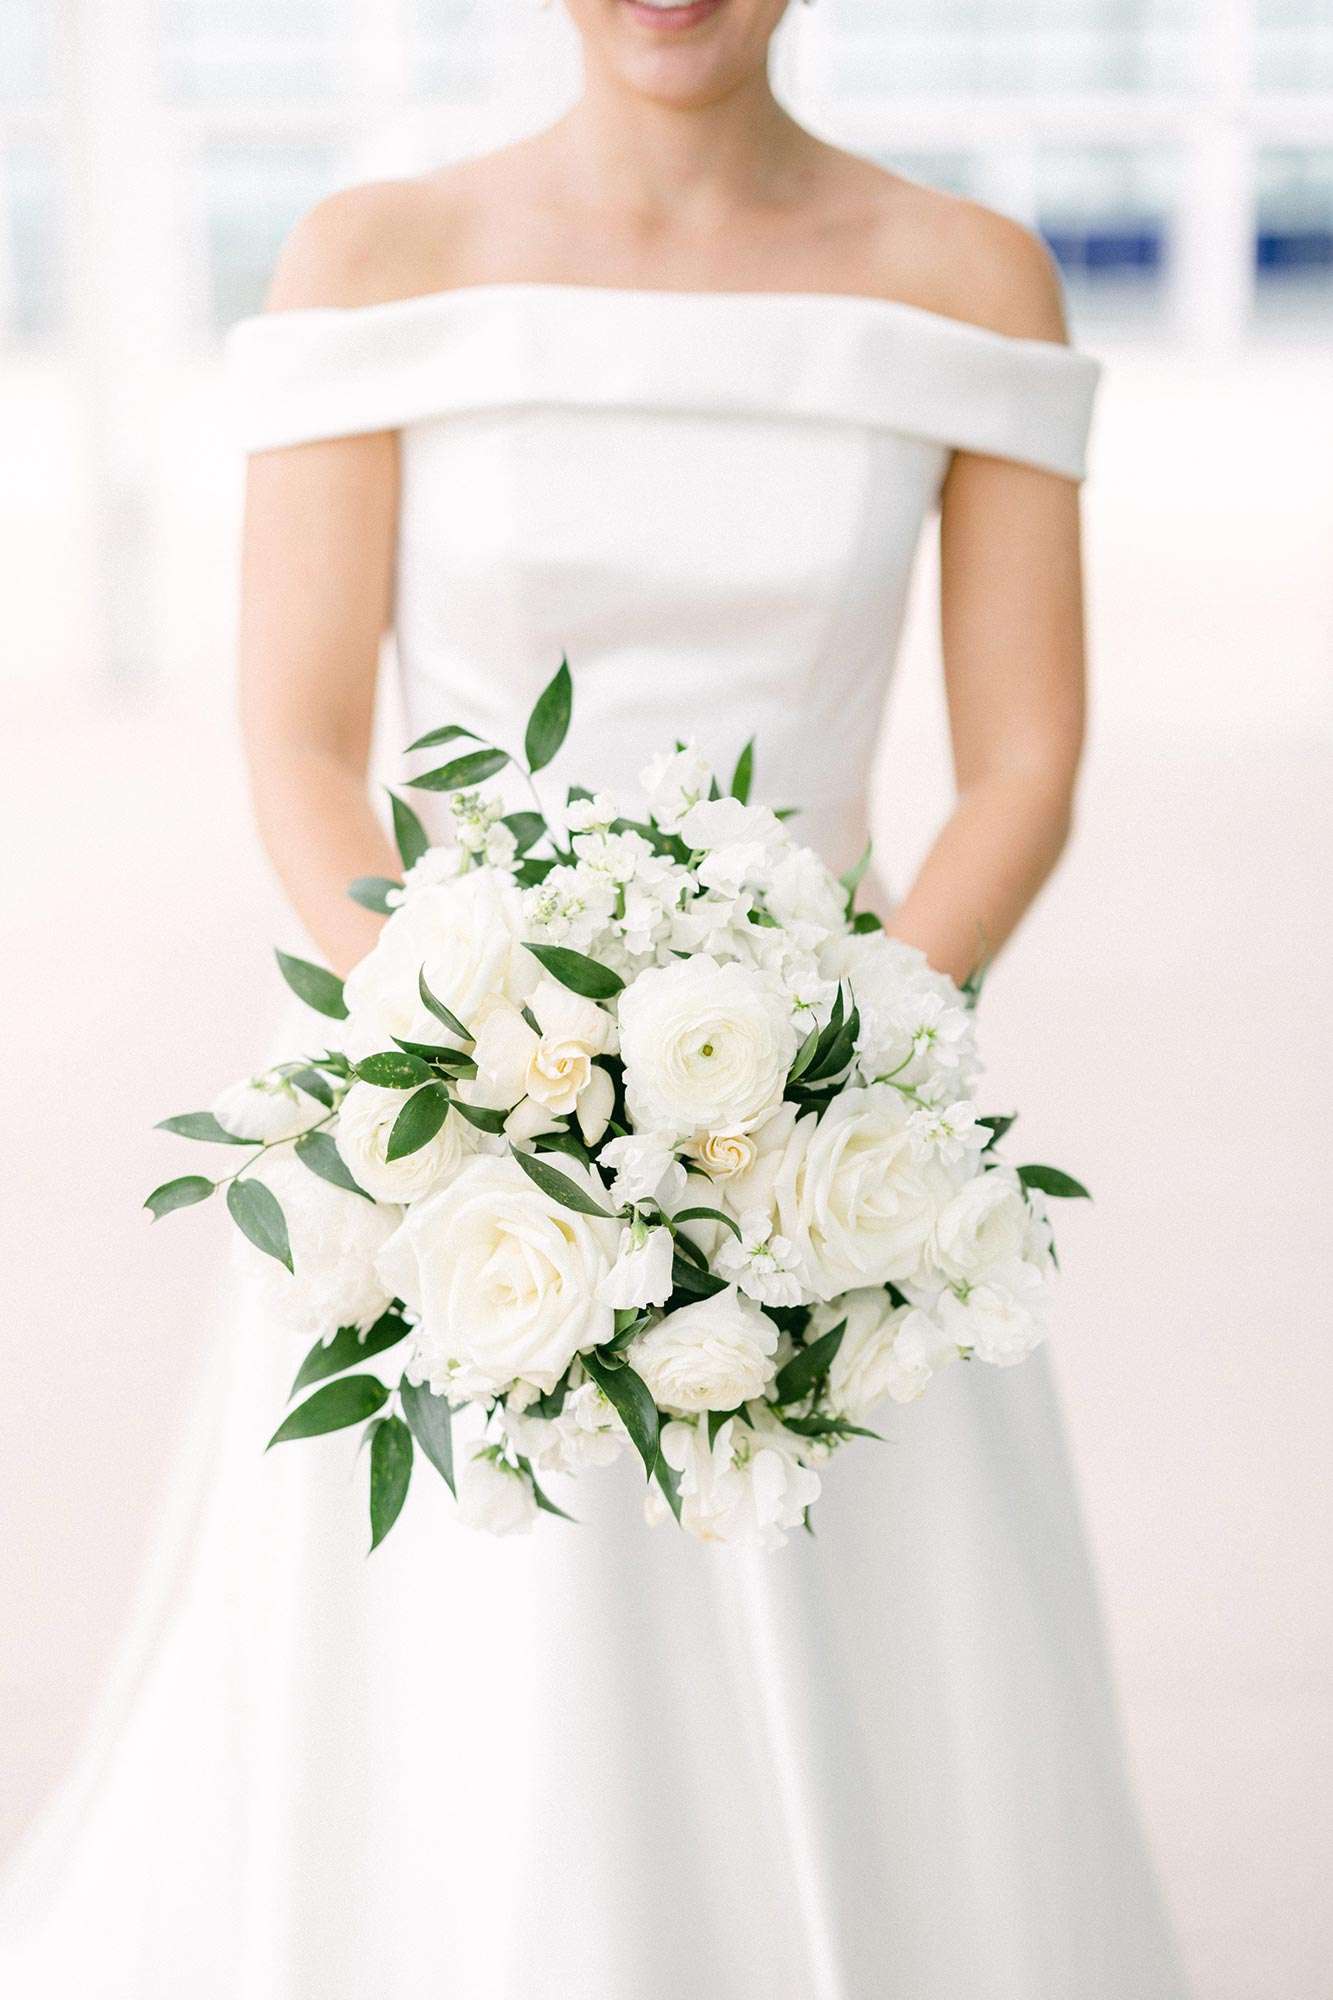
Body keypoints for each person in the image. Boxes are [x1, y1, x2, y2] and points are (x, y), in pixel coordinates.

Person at [0, 4, 1189, 1994]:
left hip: (836, 1134)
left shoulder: (965, 276)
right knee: (459, 1709)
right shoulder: (374, 256)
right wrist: (477, 1068)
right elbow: (299, 744)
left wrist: (833, 1082)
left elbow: (1021, 765)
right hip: (452, 1118)